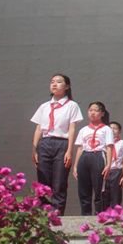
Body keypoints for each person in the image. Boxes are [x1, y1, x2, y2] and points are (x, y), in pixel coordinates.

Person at [30, 74, 83, 215]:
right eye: (52, 82)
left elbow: (72, 129)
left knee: (59, 182)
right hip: (44, 143)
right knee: (43, 181)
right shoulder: (44, 106)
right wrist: (34, 149)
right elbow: (38, 128)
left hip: (62, 143)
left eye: (59, 82)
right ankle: (43, 214)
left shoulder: (72, 105)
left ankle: (57, 215)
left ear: (67, 86)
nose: (54, 84)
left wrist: (69, 151)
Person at [72, 102, 113, 216]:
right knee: (83, 188)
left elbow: (109, 147)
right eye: (90, 110)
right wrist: (75, 165)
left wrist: (108, 165)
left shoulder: (106, 129)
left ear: (102, 113)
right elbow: (80, 148)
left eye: (96, 110)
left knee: (99, 187)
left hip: (98, 156)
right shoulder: (83, 130)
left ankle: (99, 215)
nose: (92, 113)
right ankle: (85, 215)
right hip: (85, 157)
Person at [102, 121, 123, 209]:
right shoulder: (103, 143)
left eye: (115, 128)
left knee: (116, 195)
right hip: (104, 171)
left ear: (119, 131)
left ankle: (116, 214)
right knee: (104, 195)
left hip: (116, 171)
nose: (112, 130)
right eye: (110, 128)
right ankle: (104, 214)